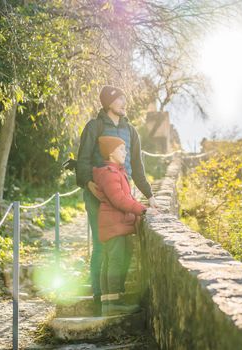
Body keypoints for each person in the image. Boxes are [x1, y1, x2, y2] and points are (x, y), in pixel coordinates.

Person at [76, 85, 157, 316]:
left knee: (122, 245)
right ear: (107, 102)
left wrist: (149, 196)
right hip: (97, 195)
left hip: (123, 194)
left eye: (124, 97)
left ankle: (115, 297)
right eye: (119, 98)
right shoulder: (94, 126)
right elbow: (82, 161)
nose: (124, 101)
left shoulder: (131, 131)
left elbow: (138, 167)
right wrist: (90, 184)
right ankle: (99, 299)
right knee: (103, 246)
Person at [92, 136, 158, 315]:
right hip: (114, 226)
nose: (125, 152)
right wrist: (143, 211)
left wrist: (141, 208)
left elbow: (127, 198)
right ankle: (113, 303)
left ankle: (109, 302)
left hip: (116, 225)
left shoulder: (117, 172)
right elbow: (119, 200)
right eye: (122, 149)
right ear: (111, 153)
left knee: (114, 260)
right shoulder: (109, 174)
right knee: (116, 261)